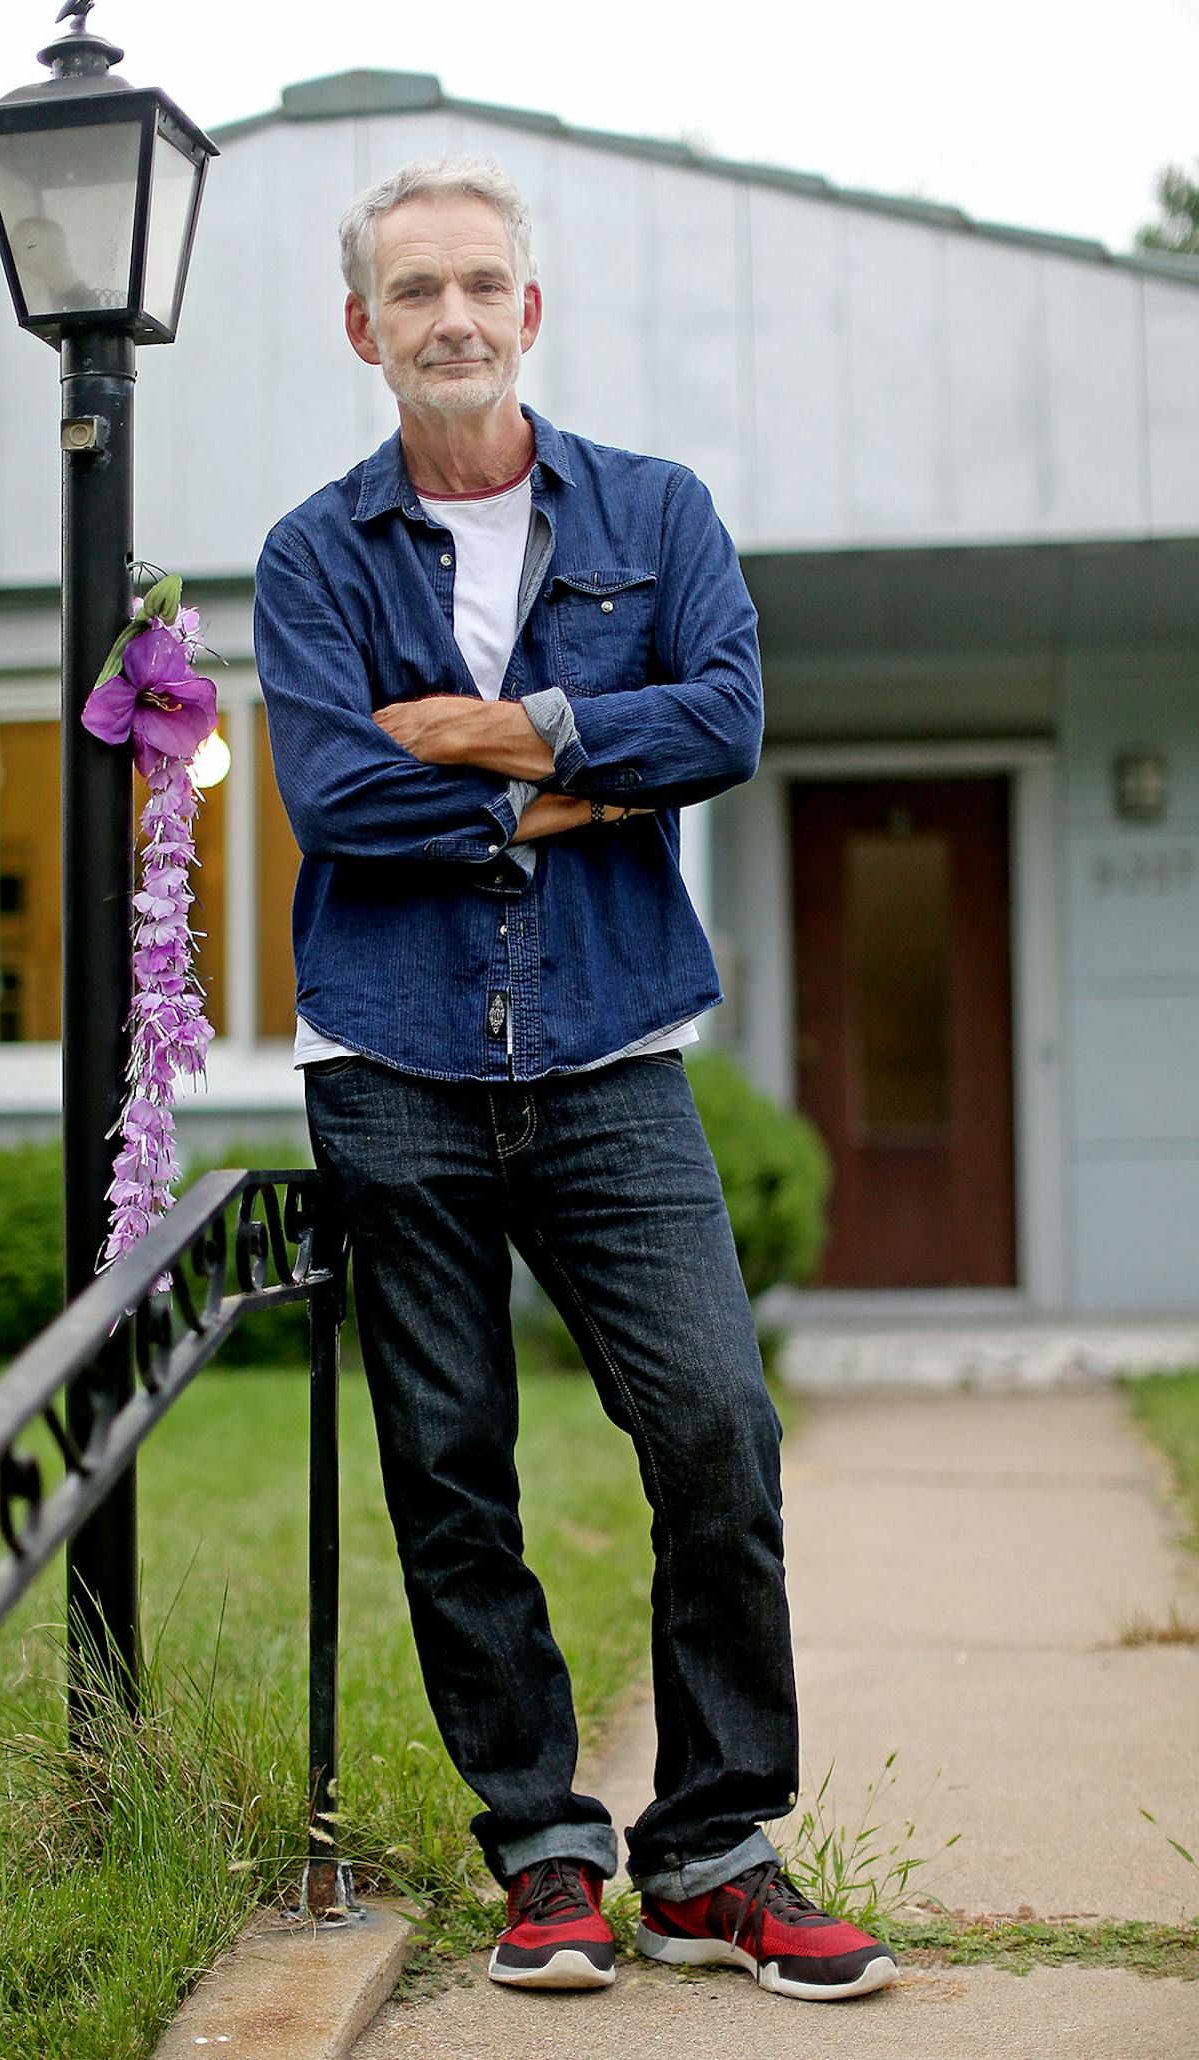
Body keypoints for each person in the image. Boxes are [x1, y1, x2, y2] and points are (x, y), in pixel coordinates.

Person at [253, 155, 897, 2006]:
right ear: (363, 329)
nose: (450, 318)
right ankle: (545, 1847)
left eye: (480, 286)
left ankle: (712, 1848)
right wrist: (597, 784)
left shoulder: (657, 509)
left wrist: (509, 734)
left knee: (714, 1425)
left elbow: (732, 721)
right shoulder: (316, 555)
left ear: (527, 311)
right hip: (392, 1058)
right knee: (450, 1468)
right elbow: (333, 799)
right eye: (413, 293)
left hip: (610, 1044)